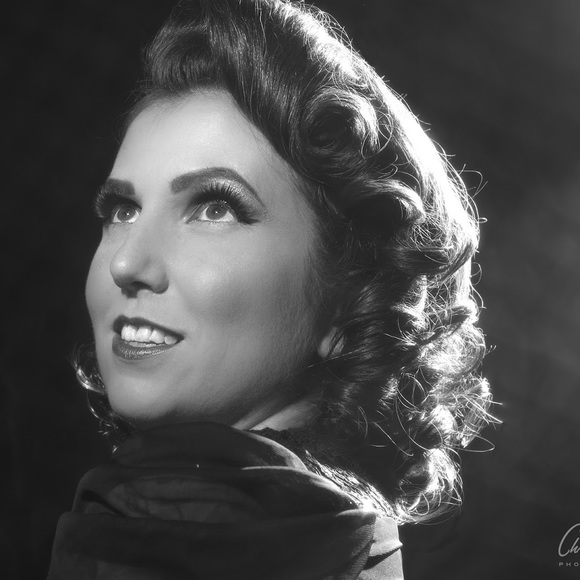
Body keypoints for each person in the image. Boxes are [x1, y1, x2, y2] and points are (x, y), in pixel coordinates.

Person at [48, 0, 492, 578]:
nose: (126, 262)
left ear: (349, 299)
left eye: (215, 208)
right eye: (123, 210)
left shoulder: (174, 532)